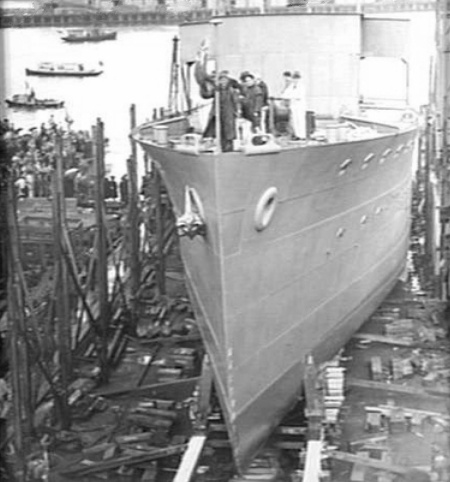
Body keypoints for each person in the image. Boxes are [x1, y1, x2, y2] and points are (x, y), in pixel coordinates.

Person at [202, 70, 240, 152]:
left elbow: (236, 102)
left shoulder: (232, 91)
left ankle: (229, 150)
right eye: (221, 80)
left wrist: (237, 112)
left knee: (228, 135)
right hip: (218, 115)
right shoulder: (216, 90)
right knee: (219, 133)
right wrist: (202, 85)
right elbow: (206, 95)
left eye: (225, 80)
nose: (223, 82)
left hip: (228, 115)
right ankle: (220, 149)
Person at [281, 70, 306, 139]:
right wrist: (290, 96)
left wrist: (290, 96)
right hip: (293, 105)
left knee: (300, 120)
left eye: (297, 78)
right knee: (295, 121)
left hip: (300, 106)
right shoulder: (291, 86)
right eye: (294, 78)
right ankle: (297, 135)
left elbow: (299, 96)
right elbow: (284, 94)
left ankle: (302, 135)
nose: (295, 80)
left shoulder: (301, 86)